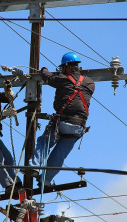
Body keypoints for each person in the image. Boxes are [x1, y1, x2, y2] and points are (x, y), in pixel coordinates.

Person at [24, 52, 95, 187]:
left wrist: (44, 70)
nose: (62, 70)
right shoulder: (90, 83)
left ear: (68, 67)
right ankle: (45, 180)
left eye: (63, 68)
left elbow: (48, 78)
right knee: (60, 153)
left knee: (44, 142)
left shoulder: (63, 79)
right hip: (79, 126)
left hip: (62, 121)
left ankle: (34, 167)